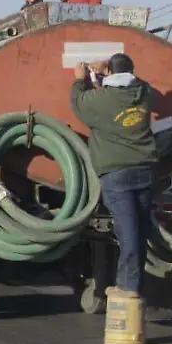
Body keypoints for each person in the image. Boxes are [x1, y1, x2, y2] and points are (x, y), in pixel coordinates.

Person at [69, 53, 156, 304]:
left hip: (116, 172)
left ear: (109, 72)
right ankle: (132, 283)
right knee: (139, 229)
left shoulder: (99, 100)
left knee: (127, 230)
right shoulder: (144, 93)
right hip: (145, 168)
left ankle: (129, 286)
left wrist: (80, 79)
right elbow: (136, 83)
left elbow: (78, 102)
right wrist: (106, 76)